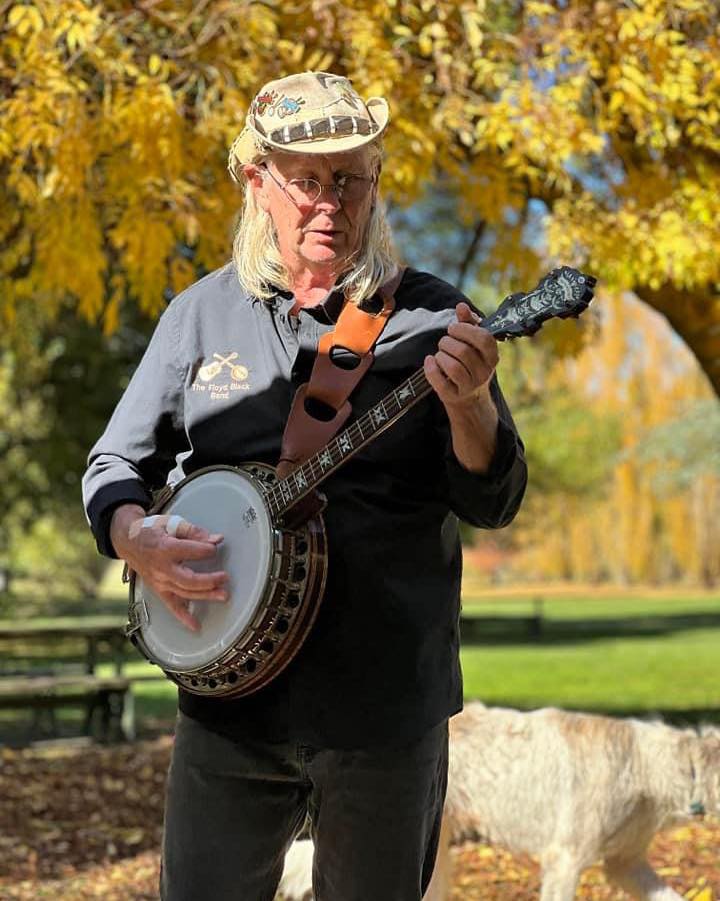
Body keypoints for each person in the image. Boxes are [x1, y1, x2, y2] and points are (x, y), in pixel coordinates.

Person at [82, 71, 528, 901]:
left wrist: (470, 410)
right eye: (308, 180)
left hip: (384, 704)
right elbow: (114, 466)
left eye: (351, 178)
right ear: (258, 183)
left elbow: (493, 500)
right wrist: (135, 537)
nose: (331, 201)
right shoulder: (199, 316)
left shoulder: (436, 318)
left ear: (376, 183)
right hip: (229, 709)